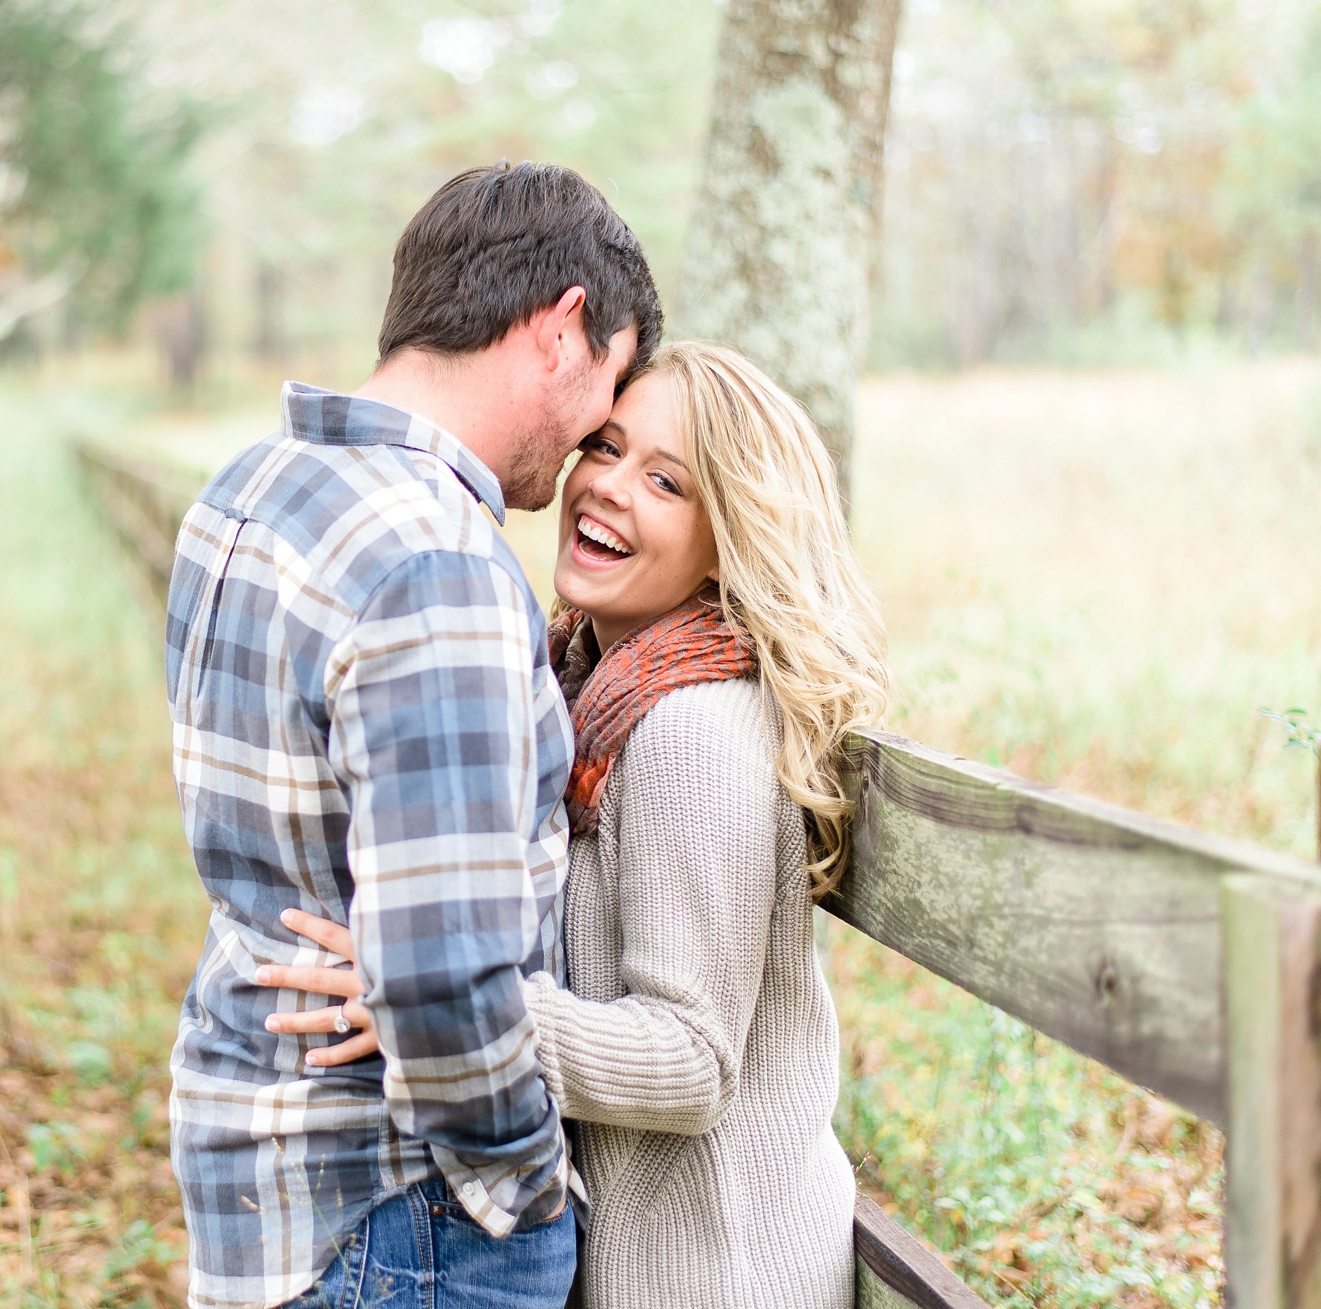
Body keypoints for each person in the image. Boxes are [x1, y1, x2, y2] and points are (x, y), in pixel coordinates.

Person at [263, 340, 890, 1308]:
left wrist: (431, 1005)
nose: (606, 487)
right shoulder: (582, 686)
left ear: (731, 533)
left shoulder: (690, 726)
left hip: (715, 1273)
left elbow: (689, 1061)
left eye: (665, 481)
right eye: (602, 447)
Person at [164, 162, 662, 1309]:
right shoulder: (436, 558)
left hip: (256, 1154)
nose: (595, 429)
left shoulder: (249, 490)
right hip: (408, 1202)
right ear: (562, 329)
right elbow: (440, 968)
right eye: (611, 385)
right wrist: (523, 1188)